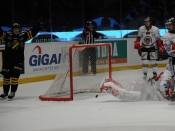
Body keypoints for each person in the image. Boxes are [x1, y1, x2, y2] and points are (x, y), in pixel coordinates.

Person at [0, 20, 43, 100]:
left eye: (17, 29)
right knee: (6, 77)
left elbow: (32, 33)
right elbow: (0, 33)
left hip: (18, 60)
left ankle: (12, 92)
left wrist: (38, 26)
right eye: (15, 29)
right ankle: (5, 92)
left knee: (15, 76)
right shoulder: (7, 35)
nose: (16, 30)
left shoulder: (23, 35)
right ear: (12, 29)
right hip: (7, 60)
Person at [161, 17, 175, 101]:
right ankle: (172, 94)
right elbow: (168, 48)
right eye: (168, 25)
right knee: (173, 77)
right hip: (173, 59)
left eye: (170, 25)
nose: (168, 26)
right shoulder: (166, 35)